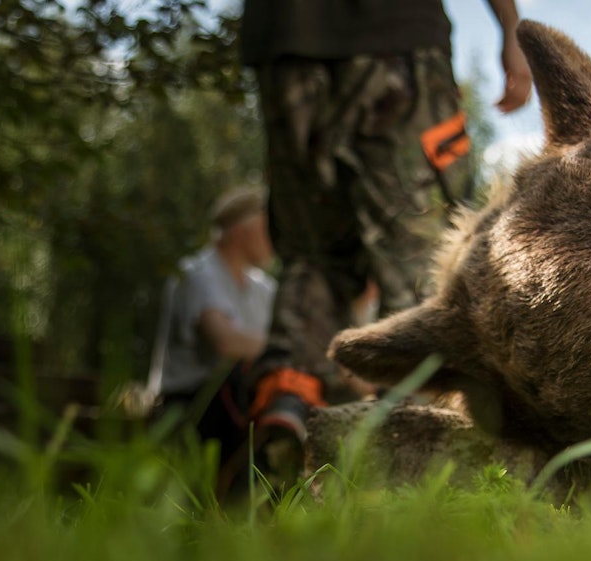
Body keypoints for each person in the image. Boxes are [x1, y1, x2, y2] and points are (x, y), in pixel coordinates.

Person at [239, 0, 533, 461]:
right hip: (396, 38)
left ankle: (289, 398)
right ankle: (409, 438)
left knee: (313, 254)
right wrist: (512, 30)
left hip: (287, 42)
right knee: (422, 251)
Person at [157, 186, 277, 468]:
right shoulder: (197, 273)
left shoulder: (263, 287)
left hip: (238, 402)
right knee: (237, 376)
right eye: (267, 227)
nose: (275, 238)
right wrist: (278, 347)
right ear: (240, 230)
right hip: (194, 405)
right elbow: (225, 342)